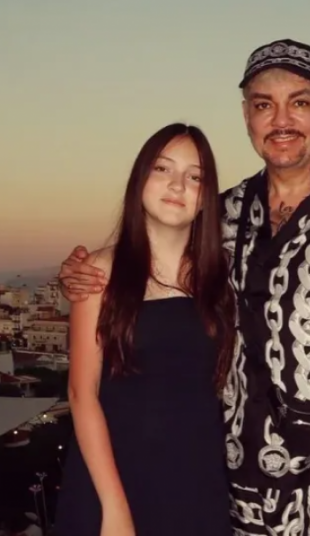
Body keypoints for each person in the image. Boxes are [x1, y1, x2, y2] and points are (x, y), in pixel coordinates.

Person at [58, 39, 310, 535]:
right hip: (229, 487)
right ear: (246, 116)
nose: (281, 120)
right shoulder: (224, 214)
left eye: (300, 102)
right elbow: (150, 271)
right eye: (264, 105)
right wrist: (80, 274)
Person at [53, 123, 235, 536]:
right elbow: (82, 394)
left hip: (197, 480)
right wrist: (114, 508)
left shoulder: (220, 275)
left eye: (195, 176)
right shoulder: (98, 272)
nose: (177, 185)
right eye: (162, 169)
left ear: (207, 196)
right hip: (116, 476)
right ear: (140, 179)